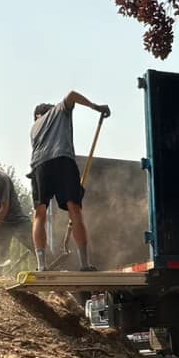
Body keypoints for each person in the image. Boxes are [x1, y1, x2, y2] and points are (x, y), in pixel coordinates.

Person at [29, 90, 110, 271]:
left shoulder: (33, 128)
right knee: (74, 209)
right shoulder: (57, 111)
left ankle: (41, 266)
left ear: (36, 116)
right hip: (62, 160)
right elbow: (72, 94)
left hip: (38, 167)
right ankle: (84, 264)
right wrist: (96, 107)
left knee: (39, 213)